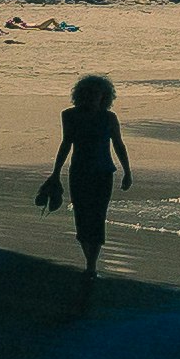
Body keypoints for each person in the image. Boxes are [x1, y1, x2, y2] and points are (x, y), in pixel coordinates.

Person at [46, 74, 131, 279]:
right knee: (82, 217)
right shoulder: (70, 115)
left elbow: (119, 145)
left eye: (98, 95)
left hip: (103, 173)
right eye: (90, 95)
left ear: (104, 97)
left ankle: (91, 264)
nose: (94, 99)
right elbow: (66, 144)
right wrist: (56, 173)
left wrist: (127, 172)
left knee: (98, 216)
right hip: (79, 173)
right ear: (82, 96)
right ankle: (90, 262)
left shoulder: (109, 118)